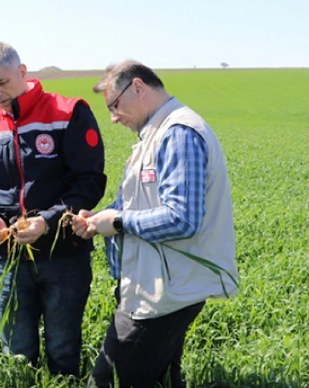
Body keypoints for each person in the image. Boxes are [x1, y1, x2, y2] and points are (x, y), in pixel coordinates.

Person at [72, 61, 239, 388]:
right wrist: (99, 219)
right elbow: (138, 203)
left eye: (115, 105)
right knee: (160, 378)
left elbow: (181, 218)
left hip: (165, 292)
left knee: (108, 381)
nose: (114, 117)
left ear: (138, 87)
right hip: (159, 284)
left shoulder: (178, 134)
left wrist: (117, 222)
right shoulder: (156, 134)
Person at [0, 41, 107, 376]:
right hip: (8, 261)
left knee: (63, 348)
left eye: (2, 83)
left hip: (64, 256)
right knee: (17, 354)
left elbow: (88, 182)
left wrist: (49, 220)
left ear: (22, 72)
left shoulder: (69, 112)